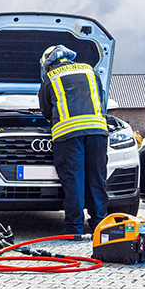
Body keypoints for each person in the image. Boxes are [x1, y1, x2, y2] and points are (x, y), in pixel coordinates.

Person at [37, 45, 109, 235]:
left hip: (69, 136)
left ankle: (74, 228)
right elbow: (101, 100)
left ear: (48, 64)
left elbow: (45, 109)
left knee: (74, 180)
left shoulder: (50, 77)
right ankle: (100, 227)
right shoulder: (89, 69)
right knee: (96, 179)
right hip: (98, 132)